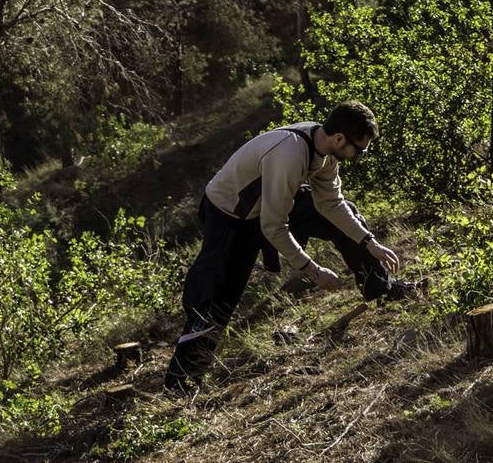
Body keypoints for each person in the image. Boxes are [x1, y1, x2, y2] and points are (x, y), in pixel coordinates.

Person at [164, 101, 410, 392]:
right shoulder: (290, 155)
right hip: (230, 215)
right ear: (340, 139)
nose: (359, 156)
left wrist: (370, 243)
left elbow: (331, 204)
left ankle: (379, 288)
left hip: (270, 202)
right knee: (219, 296)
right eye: (359, 149)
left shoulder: (325, 152)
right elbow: (272, 226)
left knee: (350, 213)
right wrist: (312, 269)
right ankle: (180, 381)